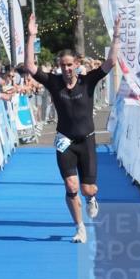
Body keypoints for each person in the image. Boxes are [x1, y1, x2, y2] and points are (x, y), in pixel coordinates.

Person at [24, 12, 121, 244]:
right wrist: (31, 35)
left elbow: (111, 62)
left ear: (77, 65)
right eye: (63, 65)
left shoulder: (88, 80)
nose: (66, 69)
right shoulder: (54, 82)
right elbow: (29, 66)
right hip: (63, 140)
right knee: (70, 185)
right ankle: (79, 227)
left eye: (70, 65)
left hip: (86, 140)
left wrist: (116, 36)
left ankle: (91, 199)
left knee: (88, 189)